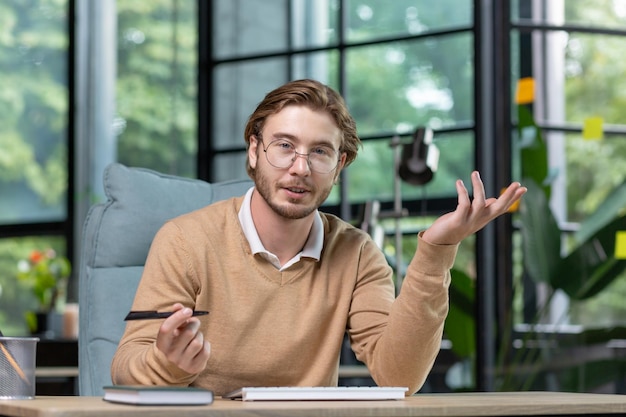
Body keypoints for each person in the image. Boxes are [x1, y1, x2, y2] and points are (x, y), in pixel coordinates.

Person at [111, 79, 526, 396]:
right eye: (284, 146)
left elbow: (399, 376)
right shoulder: (185, 241)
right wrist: (168, 363)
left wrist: (436, 252)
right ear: (254, 150)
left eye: (320, 152)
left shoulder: (358, 253)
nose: (300, 168)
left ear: (340, 163)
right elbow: (125, 367)